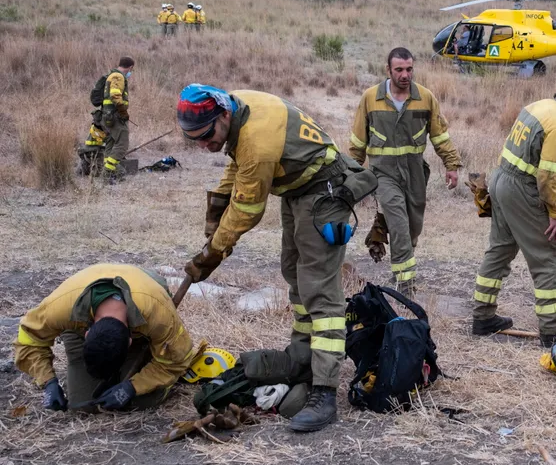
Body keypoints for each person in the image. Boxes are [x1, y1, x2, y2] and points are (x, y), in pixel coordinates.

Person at [177, 84, 375, 432]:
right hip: (297, 191)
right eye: (193, 137)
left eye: (206, 135)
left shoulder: (257, 139)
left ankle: (325, 391)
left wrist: (212, 252)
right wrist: (215, 212)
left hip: (324, 192)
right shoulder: (238, 107)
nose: (203, 144)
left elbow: (248, 210)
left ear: (223, 115)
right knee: (294, 276)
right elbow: (236, 169)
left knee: (320, 288)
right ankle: (301, 359)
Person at [470, 87, 556, 347]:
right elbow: (548, 178)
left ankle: (482, 317)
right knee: (549, 259)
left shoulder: (541, 105)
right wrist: (554, 214)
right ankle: (552, 331)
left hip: (500, 179)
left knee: (499, 251)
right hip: (521, 188)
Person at [348, 48, 461, 295]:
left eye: (409, 69)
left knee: (411, 230)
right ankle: (405, 286)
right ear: (388, 70)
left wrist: (451, 165)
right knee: (399, 225)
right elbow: (358, 143)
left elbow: (440, 136)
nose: (405, 75)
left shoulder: (425, 98)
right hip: (383, 174)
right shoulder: (370, 98)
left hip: (415, 172)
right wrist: (350, 175)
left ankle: (384, 229)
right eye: (399, 69)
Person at [14, 264, 196, 412]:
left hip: (145, 285)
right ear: (86, 334)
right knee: (83, 405)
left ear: (131, 342)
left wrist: (132, 387)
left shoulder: (157, 314)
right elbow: (28, 339)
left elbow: (176, 360)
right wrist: (48, 382)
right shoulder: (60, 309)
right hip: (81, 302)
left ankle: (142, 355)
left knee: (142, 401)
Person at [100, 56, 134, 181]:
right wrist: (123, 111)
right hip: (115, 116)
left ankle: (112, 173)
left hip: (107, 116)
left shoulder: (112, 75)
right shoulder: (118, 76)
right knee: (122, 145)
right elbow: (115, 95)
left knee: (110, 143)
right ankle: (107, 172)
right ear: (130, 67)